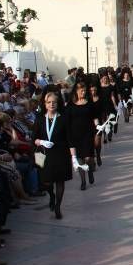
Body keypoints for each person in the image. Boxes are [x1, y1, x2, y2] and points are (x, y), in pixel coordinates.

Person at [34, 92, 77, 220]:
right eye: (49, 102)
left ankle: (58, 206)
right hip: (44, 154)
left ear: (58, 104)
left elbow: (70, 139)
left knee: (60, 181)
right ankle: (51, 196)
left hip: (60, 154)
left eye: (54, 102)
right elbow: (33, 139)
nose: (51, 104)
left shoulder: (63, 118)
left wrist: (74, 158)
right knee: (46, 181)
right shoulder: (40, 119)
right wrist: (41, 142)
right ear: (45, 104)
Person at [66, 82, 99, 191]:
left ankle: (89, 171)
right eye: (81, 91)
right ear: (76, 91)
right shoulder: (70, 105)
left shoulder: (89, 103)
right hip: (75, 135)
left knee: (88, 157)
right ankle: (83, 181)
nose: (83, 93)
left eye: (84, 90)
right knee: (80, 159)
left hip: (88, 133)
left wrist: (98, 127)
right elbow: (67, 120)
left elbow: (95, 117)